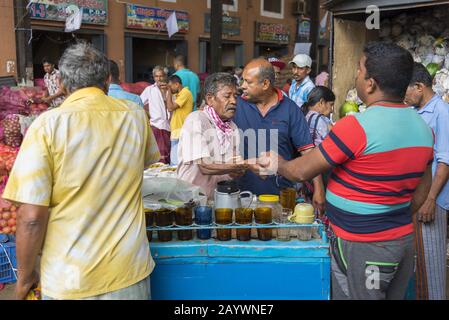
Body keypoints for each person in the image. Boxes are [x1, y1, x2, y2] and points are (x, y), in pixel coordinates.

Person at [258, 42, 435, 300]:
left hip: (365, 248)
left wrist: (278, 162)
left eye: (359, 70)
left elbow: (302, 171)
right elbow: (422, 190)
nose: (356, 75)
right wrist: (391, 217)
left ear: (370, 84)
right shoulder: (423, 129)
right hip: (402, 242)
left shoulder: (355, 127)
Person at [3, 43, 161, 300]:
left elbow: (31, 217)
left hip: (69, 278)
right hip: (129, 272)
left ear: (62, 84)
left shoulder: (47, 126)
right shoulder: (134, 115)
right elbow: (142, 163)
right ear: (107, 80)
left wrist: (25, 278)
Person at [233, 58, 325, 213]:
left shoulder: (290, 109)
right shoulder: (236, 106)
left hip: (281, 197)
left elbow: (308, 152)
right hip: (242, 195)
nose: (243, 86)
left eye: (248, 82)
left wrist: (319, 188)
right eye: (243, 81)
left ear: (265, 84)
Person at [404, 62, 449, 300]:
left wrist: (430, 199)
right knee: (417, 265)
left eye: (406, 90)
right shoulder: (416, 112)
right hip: (416, 197)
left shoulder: (442, 112)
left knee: (431, 266)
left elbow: (445, 162)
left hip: (432, 200)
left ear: (419, 87)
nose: (403, 95)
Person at [177, 73, 254, 199]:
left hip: (219, 199)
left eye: (235, 96)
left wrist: (237, 171)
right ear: (210, 99)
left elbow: (230, 167)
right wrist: (246, 164)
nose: (234, 101)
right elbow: (204, 166)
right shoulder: (196, 120)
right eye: (227, 96)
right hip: (191, 200)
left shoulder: (232, 127)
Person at [140, 66, 172, 164]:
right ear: (154, 77)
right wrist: (148, 115)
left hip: (169, 126)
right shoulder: (149, 90)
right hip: (156, 125)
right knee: (158, 157)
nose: (159, 79)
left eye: (161, 76)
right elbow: (139, 103)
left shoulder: (170, 89)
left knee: (168, 155)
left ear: (165, 76)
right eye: (156, 76)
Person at [166, 75, 194, 166]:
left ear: (177, 84)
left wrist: (168, 92)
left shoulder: (185, 93)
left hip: (181, 131)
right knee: (175, 162)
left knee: (175, 164)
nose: (169, 88)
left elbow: (170, 108)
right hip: (177, 131)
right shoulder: (178, 95)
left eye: (171, 86)